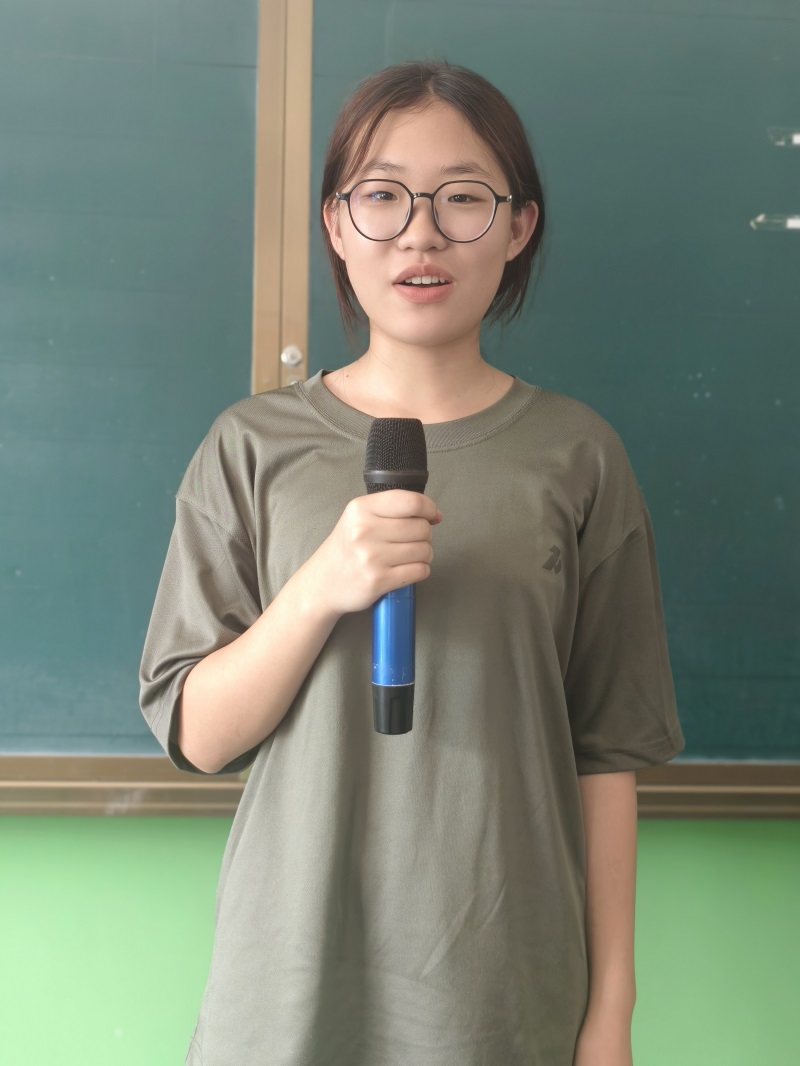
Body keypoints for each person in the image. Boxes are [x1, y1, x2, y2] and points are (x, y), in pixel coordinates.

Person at [140, 59, 684, 1066]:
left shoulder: (578, 454)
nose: (420, 234)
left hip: (502, 992)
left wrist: (611, 1011)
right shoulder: (249, 446)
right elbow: (200, 735)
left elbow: (606, 753)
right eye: (382, 196)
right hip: (288, 988)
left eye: (462, 198)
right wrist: (319, 589)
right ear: (336, 224)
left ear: (518, 227)